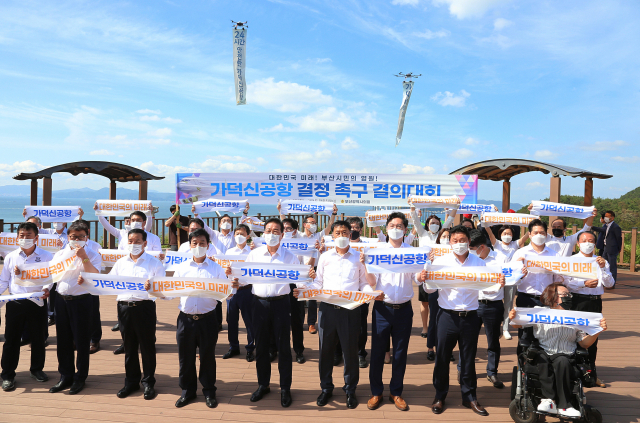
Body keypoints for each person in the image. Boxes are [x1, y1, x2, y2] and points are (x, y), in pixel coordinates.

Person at [418, 225, 505, 416]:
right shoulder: (441, 261)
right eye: (455, 241)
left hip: (471, 317)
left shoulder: (478, 262)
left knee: (468, 359)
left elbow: (487, 289)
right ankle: (440, 396)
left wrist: (498, 284)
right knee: (441, 358)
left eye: (462, 241)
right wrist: (425, 278)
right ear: (450, 243)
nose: (459, 244)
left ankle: (470, 397)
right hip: (447, 316)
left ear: (468, 242)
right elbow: (431, 290)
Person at [230, 218, 315, 408]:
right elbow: (244, 279)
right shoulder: (254, 255)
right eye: (268, 230)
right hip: (258, 303)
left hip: (281, 304)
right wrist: (235, 281)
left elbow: (300, 283)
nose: (271, 234)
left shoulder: (290, 256)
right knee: (261, 347)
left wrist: (308, 280)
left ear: (282, 235)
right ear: (263, 233)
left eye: (276, 231)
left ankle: (285, 387)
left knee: (284, 347)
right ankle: (263, 385)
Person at [294, 220, 376, 409]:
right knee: (326, 352)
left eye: (344, 232)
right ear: (332, 237)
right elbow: (318, 284)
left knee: (350, 352)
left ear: (350, 235)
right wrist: (304, 289)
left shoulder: (358, 257)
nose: (341, 236)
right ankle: (326, 388)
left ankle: (350, 389)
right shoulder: (325, 257)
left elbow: (363, 283)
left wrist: (366, 294)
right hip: (328, 310)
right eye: (337, 233)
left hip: (350, 310)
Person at [80, 228, 165, 400]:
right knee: (129, 347)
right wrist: (87, 282)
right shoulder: (121, 263)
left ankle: (148, 382)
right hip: (124, 308)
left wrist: (153, 287)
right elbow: (106, 282)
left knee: (147, 347)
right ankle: (131, 382)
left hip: (145, 307)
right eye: (131, 241)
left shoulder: (154, 263)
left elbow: (163, 289)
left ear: (145, 243)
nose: (133, 244)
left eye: (138, 241)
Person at [509, 283, 607, 418]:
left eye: (569, 295)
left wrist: (597, 332)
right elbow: (517, 324)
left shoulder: (576, 317)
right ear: (553, 297)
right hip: (543, 351)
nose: (569, 297)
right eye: (565, 295)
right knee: (541, 358)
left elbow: (584, 344)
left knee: (561, 361)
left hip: (566, 354)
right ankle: (549, 401)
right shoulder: (539, 312)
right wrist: (514, 316)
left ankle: (564, 406)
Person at [150, 228, 223, 409]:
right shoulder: (182, 268)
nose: (198, 246)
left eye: (202, 243)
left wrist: (232, 288)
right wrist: (156, 290)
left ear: (208, 245)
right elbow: (170, 293)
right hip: (186, 320)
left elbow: (225, 294)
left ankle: (208, 390)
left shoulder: (217, 268)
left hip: (208, 319)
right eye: (195, 243)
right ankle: (188, 391)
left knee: (207, 356)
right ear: (189, 246)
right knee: (186, 357)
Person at [367, 212, 422, 412]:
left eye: (400, 226)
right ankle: (376, 392)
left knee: (400, 353)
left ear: (406, 230)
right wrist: (371, 284)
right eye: (392, 225)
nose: (396, 229)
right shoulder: (377, 251)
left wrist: (422, 275)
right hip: (382, 309)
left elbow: (416, 279)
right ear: (386, 228)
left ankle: (396, 392)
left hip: (404, 310)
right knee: (377, 352)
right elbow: (371, 281)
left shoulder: (413, 252)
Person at [49, 221, 102, 395]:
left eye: (80, 237)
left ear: (87, 237)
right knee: (63, 340)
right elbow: (51, 276)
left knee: (81, 340)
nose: (76, 240)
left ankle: (80, 377)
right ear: (68, 237)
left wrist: (83, 257)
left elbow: (95, 275)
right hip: (61, 300)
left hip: (81, 301)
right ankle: (65, 375)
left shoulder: (93, 254)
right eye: (73, 237)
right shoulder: (60, 254)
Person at [0, 222, 52, 392]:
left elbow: (52, 278)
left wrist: (46, 289)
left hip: (37, 302)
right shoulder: (11, 256)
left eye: (28, 236)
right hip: (15, 302)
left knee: (38, 338)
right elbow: (3, 281)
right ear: (17, 237)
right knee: (11, 339)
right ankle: (7, 374)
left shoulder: (47, 256)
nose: (24, 239)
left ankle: (36, 369)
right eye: (21, 236)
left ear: (36, 237)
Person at [562, 231, 613, 388]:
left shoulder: (601, 261)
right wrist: (583, 284)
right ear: (578, 243)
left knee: (592, 340)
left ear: (595, 243)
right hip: (577, 301)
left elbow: (610, 283)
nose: (588, 243)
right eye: (584, 240)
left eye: (591, 240)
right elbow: (565, 282)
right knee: (573, 337)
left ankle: (591, 375)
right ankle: (572, 373)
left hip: (595, 303)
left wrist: (603, 268)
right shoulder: (571, 260)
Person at [511, 219, 563, 353]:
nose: (539, 235)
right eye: (536, 232)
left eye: (542, 232)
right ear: (529, 234)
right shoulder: (520, 254)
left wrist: (556, 272)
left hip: (546, 299)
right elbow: (511, 279)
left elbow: (559, 280)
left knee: (545, 335)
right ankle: (523, 368)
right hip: (525, 298)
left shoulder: (554, 255)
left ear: (546, 234)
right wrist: (519, 274)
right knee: (524, 336)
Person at [333, 216, 375, 369]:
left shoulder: (369, 247)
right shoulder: (332, 248)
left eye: (356, 227)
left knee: (360, 327)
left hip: (359, 295)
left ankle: (360, 353)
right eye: (350, 227)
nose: (353, 230)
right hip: (339, 296)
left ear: (358, 230)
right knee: (337, 325)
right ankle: (337, 352)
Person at [466, 230, 506, 389]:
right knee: (468, 341)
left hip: (493, 305)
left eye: (471, 248)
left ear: (481, 247)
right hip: (472, 304)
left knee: (493, 341)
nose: (468, 251)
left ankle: (492, 371)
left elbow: (510, 277)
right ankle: (464, 369)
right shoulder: (468, 259)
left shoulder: (500, 258)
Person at [484, 224, 529, 340]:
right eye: (505, 234)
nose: (507, 236)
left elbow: (526, 236)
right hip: (498, 278)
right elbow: (489, 233)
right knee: (497, 303)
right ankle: (497, 327)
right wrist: (485, 224)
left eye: (509, 234)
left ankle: (505, 328)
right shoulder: (497, 244)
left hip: (511, 279)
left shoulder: (515, 244)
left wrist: (532, 221)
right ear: (500, 235)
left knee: (508, 304)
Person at [222, 223, 255, 363]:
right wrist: (226, 272)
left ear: (248, 236)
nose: (239, 236)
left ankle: (250, 348)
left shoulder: (253, 253)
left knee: (249, 321)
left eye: (242, 234)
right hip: (231, 291)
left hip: (247, 290)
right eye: (237, 234)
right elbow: (223, 271)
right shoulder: (229, 253)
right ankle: (233, 346)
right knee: (231, 321)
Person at [527, 203, 597, 256]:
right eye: (554, 227)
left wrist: (591, 217)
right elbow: (536, 226)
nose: (556, 228)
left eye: (559, 227)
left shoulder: (570, 240)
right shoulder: (547, 238)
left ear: (564, 228)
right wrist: (534, 208)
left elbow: (586, 228)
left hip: (563, 272)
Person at [591, 210, 622, 286]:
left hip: (612, 249)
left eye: (607, 216)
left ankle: (612, 283)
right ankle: (604, 282)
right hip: (605, 248)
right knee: (603, 264)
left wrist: (619, 248)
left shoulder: (616, 227)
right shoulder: (607, 225)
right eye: (605, 217)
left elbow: (619, 238)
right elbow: (602, 230)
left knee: (612, 267)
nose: (605, 218)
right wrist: (591, 227)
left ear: (612, 217)